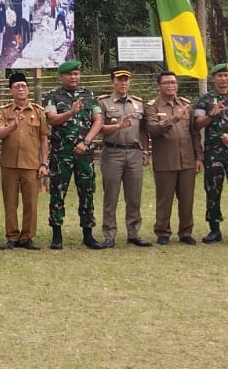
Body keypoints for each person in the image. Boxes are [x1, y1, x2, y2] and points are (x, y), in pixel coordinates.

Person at [88, 68, 150, 248]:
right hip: (112, 152)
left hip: (134, 153)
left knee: (134, 195)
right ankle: (109, 233)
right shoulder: (103, 103)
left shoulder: (138, 103)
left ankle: (133, 232)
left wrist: (145, 152)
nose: (123, 83)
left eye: (126, 80)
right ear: (112, 82)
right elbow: (99, 128)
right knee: (111, 195)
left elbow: (143, 130)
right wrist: (118, 126)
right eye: (119, 79)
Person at [193, 63, 228, 244]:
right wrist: (212, 114)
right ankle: (214, 230)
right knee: (212, 191)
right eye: (219, 75)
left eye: (226, 75)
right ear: (213, 78)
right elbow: (197, 124)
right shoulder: (205, 99)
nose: (223, 79)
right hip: (213, 154)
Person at [44, 60, 98, 249]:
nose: (74, 77)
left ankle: (88, 234)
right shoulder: (51, 96)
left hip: (85, 153)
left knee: (87, 192)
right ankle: (57, 235)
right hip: (61, 154)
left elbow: (98, 120)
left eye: (76, 74)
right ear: (61, 77)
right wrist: (71, 112)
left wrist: (86, 142)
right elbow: (52, 119)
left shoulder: (89, 95)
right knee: (58, 193)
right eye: (69, 74)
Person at [145, 71, 202, 244]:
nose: (171, 85)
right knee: (165, 198)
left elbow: (194, 133)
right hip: (165, 159)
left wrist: (198, 157)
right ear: (159, 85)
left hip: (187, 159)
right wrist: (173, 119)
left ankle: (185, 232)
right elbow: (153, 130)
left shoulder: (186, 105)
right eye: (166, 82)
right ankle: (162, 231)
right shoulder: (152, 106)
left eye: (173, 82)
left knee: (187, 199)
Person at [0, 71, 49, 248]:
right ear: (11, 90)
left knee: (31, 203)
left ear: (28, 89)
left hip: (31, 164)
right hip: (9, 164)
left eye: (24, 86)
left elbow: (43, 139)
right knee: (10, 202)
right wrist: (13, 124)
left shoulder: (38, 111)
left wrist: (44, 163)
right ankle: (12, 236)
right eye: (17, 86)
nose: (21, 89)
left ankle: (27, 237)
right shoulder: (3, 111)